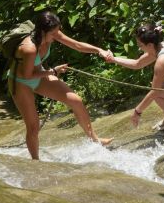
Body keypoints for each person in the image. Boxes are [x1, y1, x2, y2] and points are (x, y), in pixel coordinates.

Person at [7, 10, 113, 160]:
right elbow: (27, 75)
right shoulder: (29, 48)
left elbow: (76, 45)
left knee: (75, 100)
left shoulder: (52, 33)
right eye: (54, 32)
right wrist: (53, 71)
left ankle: (95, 139)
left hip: (40, 75)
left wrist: (99, 50)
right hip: (21, 82)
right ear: (43, 32)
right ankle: (36, 162)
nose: (57, 34)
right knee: (33, 127)